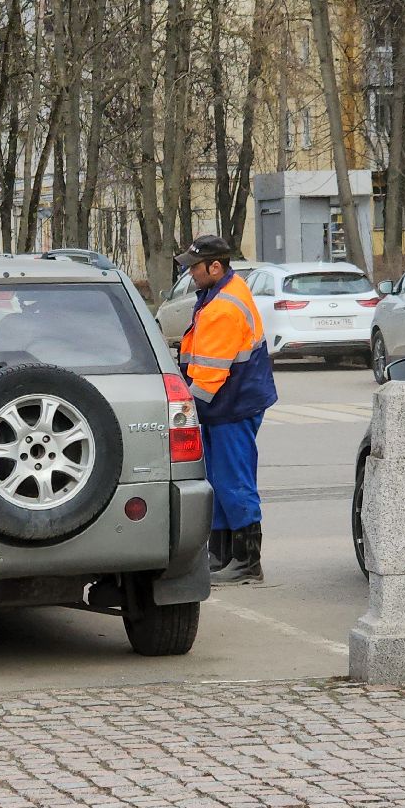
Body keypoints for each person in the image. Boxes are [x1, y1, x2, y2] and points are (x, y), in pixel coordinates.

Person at [175, 235, 277, 587]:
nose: (190, 273)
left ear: (215, 267)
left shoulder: (223, 307)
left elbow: (209, 374)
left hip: (231, 404)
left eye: (194, 267)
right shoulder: (220, 293)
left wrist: (183, 410)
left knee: (234, 482)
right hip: (226, 404)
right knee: (219, 480)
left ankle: (247, 562)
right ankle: (220, 555)